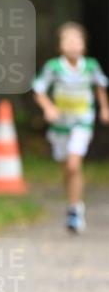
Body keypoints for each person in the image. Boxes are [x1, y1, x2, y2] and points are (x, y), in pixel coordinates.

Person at [32, 21, 109, 233]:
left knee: (74, 164)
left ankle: (76, 209)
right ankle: (73, 203)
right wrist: (48, 108)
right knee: (67, 168)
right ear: (61, 46)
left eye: (77, 41)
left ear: (83, 45)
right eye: (68, 41)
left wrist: (104, 108)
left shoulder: (91, 66)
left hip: (82, 121)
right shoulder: (53, 67)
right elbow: (38, 90)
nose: (73, 45)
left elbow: (100, 86)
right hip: (60, 126)